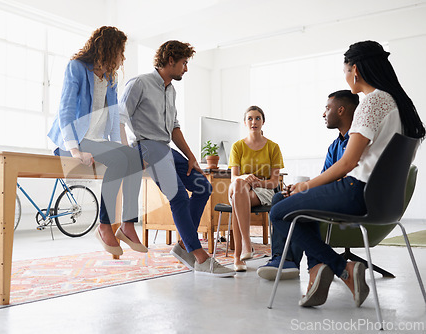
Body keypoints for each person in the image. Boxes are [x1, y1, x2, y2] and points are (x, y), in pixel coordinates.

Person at [269, 40, 424, 308]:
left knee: (278, 210)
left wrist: (305, 186)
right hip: (384, 201)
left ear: (355, 70)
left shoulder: (373, 102)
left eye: (345, 71)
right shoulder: (402, 107)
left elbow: (348, 163)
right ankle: (320, 268)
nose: (345, 77)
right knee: (298, 212)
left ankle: (341, 268)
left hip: (356, 191)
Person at [120, 40, 235, 277]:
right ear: (170, 60)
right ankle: (199, 255)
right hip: (146, 146)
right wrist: (125, 150)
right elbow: (119, 117)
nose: (186, 68)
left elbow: (174, 127)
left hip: (165, 147)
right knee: (179, 196)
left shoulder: (171, 90)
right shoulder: (139, 83)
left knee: (203, 187)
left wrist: (192, 157)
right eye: (184, 63)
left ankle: (184, 244)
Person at [47, 26, 147, 257]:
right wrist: (74, 151)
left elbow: (113, 121)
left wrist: (130, 156)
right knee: (121, 161)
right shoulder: (77, 68)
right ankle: (105, 225)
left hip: (96, 140)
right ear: (109, 49)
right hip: (72, 141)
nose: (123, 57)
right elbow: (66, 112)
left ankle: (127, 225)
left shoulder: (110, 78)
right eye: (121, 51)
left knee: (132, 157)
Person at [257, 90, 359, 280]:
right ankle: (284, 259)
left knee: (283, 207)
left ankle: (316, 264)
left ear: (341, 110)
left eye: (327, 108)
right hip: (334, 196)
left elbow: (348, 178)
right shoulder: (335, 145)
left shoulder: (358, 141)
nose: (323, 113)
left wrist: (305, 188)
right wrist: (299, 187)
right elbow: (326, 178)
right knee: (280, 197)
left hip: (349, 198)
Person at [228, 106, 284, 272]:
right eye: (250, 118)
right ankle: (247, 243)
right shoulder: (237, 146)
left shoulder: (273, 147)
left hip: (263, 189)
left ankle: (238, 257)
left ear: (263, 122)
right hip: (239, 187)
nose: (254, 122)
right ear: (245, 123)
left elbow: (274, 182)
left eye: (258, 118)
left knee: (238, 202)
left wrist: (257, 182)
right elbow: (233, 177)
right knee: (238, 185)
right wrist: (244, 178)